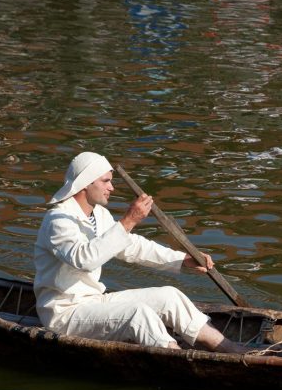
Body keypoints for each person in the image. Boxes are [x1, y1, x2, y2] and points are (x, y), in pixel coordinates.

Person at [34, 151, 246, 352]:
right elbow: (83, 259)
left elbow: (132, 247)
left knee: (169, 296)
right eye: (105, 181)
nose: (112, 188)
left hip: (94, 301)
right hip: (64, 313)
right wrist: (128, 221)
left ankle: (231, 350)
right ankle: (176, 357)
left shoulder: (99, 215)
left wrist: (182, 259)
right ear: (86, 183)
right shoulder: (58, 220)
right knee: (137, 314)